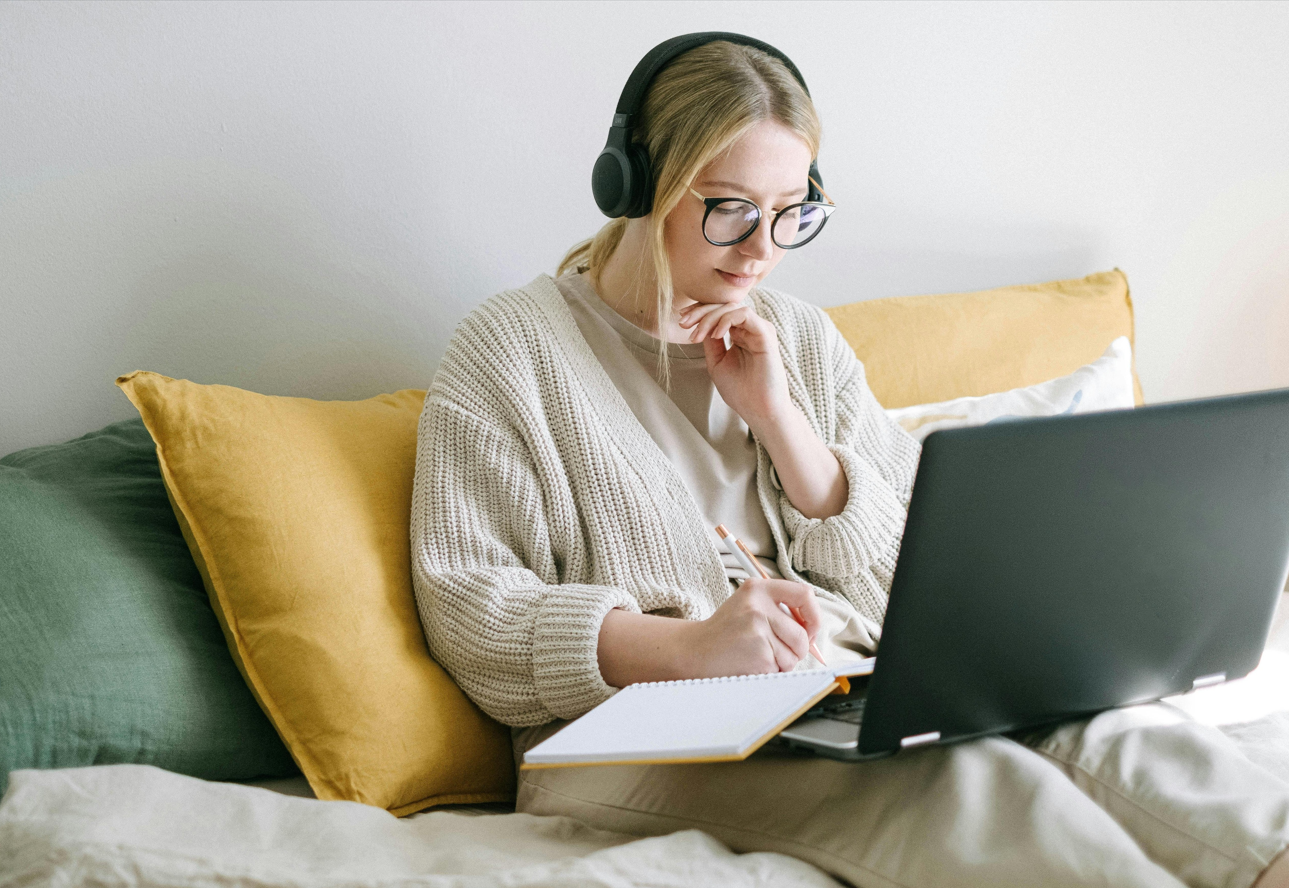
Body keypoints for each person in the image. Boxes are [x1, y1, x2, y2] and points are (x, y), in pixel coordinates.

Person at [409, 35, 1289, 888]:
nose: (762, 248)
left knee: (1124, 738)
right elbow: (474, 613)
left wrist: (781, 420)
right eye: (729, 208)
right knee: (979, 793)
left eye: (791, 212)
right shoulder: (510, 352)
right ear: (637, 186)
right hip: (628, 740)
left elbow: (915, 568)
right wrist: (690, 648)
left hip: (844, 696)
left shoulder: (796, 337)